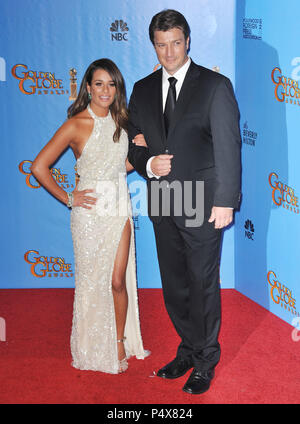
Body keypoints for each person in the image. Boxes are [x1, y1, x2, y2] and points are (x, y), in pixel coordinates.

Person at [128, 10, 241, 394]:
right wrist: (148, 163)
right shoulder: (142, 89)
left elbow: (228, 146)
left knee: (202, 282)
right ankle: (188, 349)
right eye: (161, 44)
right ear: (154, 45)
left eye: (176, 42)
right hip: (163, 198)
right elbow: (131, 142)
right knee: (175, 285)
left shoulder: (214, 85)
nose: (169, 52)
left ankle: (206, 359)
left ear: (188, 41)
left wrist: (225, 200)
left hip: (203, 201)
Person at [31, 58, 149, 374]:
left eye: (111, 84)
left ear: (117, 88)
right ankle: (91, 344)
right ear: (88, 87)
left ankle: (120, 340)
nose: (105, 90)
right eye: (99, 83)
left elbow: (118, 165)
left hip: (119, 206)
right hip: (88, 214)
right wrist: (69, 197)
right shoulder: (75, 124)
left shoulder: (123, 120)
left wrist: (140, 151)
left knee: (117, 279)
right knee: (90, 282)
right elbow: (39, 167)